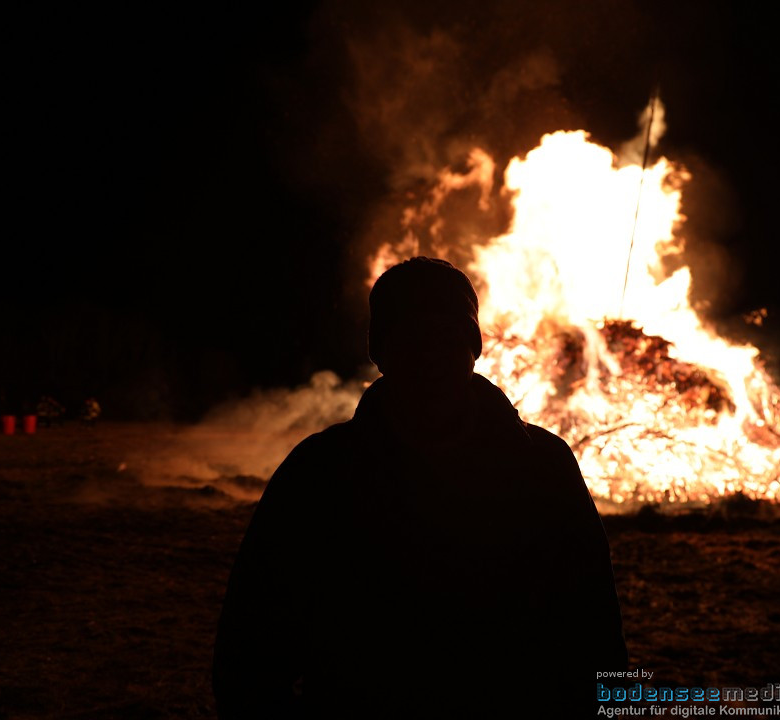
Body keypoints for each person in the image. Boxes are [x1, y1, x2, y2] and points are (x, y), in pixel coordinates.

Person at [213, 256, 627, 718]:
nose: (430, 357)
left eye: (447, 337)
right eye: (411, 339)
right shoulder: (320, 473)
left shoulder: (542, 466)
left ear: (473, 348)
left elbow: (596, 637)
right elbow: (251, 649)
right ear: (381, 352)